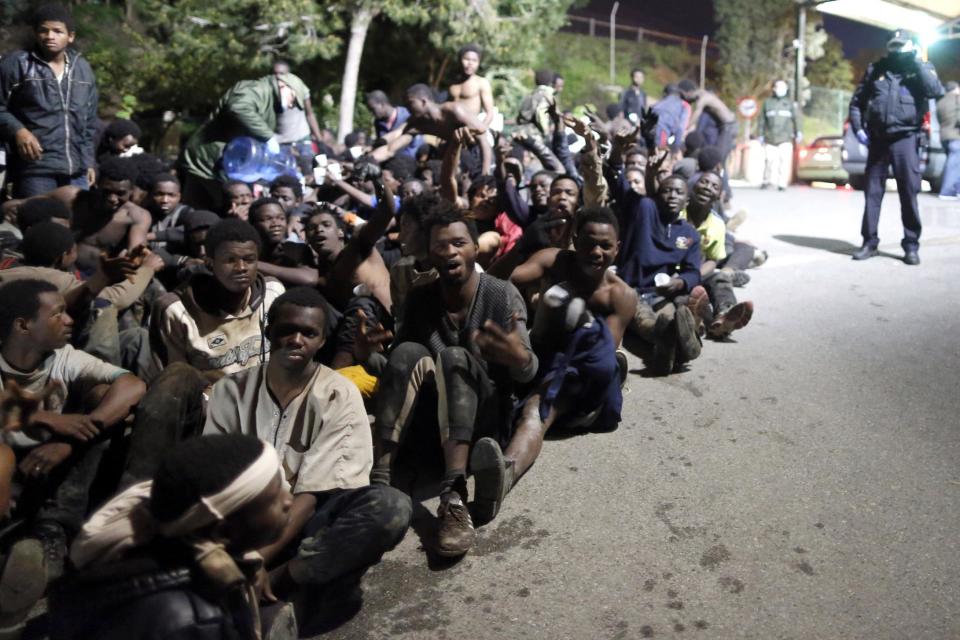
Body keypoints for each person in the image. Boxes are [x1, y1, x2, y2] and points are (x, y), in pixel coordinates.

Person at [203, 287, 412, 627]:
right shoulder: (231, 390)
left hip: (308, 523)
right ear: (269, 332)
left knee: (389, 507)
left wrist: (260, 564)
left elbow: (312, 495)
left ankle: (278, 582)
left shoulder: (338, 393)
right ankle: (274, 601)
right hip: (244, 522)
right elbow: (216, 480)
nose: (296, 339)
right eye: (286, 330)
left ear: (321, 341)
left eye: (308, 333)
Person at [357, 205, 538, 557]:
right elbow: (398, 367)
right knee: (408, 349)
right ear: (429, 254)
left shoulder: (501, 294)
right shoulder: (421, 298)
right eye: (441, 246)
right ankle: (381, 480)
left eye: (459, 243)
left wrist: (517, 356)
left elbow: (528, 372)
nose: (451, 251)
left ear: (474, 248)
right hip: (432, 424)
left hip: (483, 421)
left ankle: (454, 497)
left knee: (455, 357)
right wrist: (367, 356)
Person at [52, 434, 296, 640]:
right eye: (274, 499)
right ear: (222, 532)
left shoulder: (159, 544)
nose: (288, 500)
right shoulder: (190, 620)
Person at [0, 278, 146, 607]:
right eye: (57, 315)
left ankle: (52, 532)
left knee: (104, 403)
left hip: (44, 465)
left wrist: (77, 438)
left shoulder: (63, 357)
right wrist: (42, 417)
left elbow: (132, 384)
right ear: (23, 326)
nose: (69, 321)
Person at [848, 29, 944, 265]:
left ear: (910, 45)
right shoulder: (877, 69)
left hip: (906, 139)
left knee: (908, 193)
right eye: (893, 44)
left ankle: (911, 246)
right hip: (878, 140)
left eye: (901, 44)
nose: (896, 48)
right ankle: (869, 243)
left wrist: (917, 62)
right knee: (872, 194)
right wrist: (859, 128)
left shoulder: (920, 68)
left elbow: (935, 91)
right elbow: (857, 102)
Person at [151, 218, 284, 384]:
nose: (241, 267)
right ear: (209, 263)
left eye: (249, 259)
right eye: (230, 260)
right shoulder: (176, 311)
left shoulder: (273, 292)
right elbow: (174, 384)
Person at [0, 4, 98, 198]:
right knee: (40, 225)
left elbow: (88, 122)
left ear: (70, 36)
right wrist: (19, 131)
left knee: (74, 225)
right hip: (35, 167)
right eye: (43, 30)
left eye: (57, 31)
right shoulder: (17, 64)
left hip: (76, 170)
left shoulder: (83, 69)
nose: (49, 36)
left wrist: (88, 162)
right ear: (36, 34)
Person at [616, 173, 705, 375]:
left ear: (687, 200)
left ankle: (674, 348)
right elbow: (623, 190)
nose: (672, 195)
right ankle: (677, 347)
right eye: (666, 190)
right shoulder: (643, 211)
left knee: (673, 320)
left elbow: (693, 271)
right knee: (646, 320)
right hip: (631, 290)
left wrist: (680, 282)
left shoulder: (690, 234)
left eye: (679, 192)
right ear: (657, 196)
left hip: (662, 294)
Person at [180, 72, 309, 210]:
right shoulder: (256, 88)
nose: (291, 106)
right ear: (283, 86)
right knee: (218, 213)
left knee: (196, 212)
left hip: (213, 163)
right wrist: (268, 136)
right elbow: (239, 107)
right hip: (210, 161)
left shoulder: (268, 104)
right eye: (293, 100)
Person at [680, 171, 753, 339]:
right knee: (690, 297)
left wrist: (696, 275)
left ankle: (726, 314)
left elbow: (712, 260)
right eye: (704, 182)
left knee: (719, 279)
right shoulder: (678, 212)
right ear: (693, 186)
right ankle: (701, 322)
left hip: (698, 272)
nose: (707, 188)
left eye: (714, 186)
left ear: (719, 196)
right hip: (673, 273)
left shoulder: (717, 224)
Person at [449, 44, 497, 172]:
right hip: (453, 133)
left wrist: (480, 130)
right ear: (460, 60)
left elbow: (490, 112)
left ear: (478, 63)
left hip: (474, 132)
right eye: (466, 59)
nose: (469, 63)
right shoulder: (453, 83)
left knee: (476, 169)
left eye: (474, 60)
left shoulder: (481, 83)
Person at [678, 79, 737, 180]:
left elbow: (697, 113)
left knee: (719, 158)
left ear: (689, 93)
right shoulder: (703, 94)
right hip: (725, 127)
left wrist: (685, 128)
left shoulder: (704, 98)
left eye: (685, 96)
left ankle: (722, 187)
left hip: (728, 127)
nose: (686, 100)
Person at [271, 59, 324, 162]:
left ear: (288, 74)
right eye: (275, 73)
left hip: (302, 140)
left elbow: (309, 114)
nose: (278, 76)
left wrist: (319, 139)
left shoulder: (299, 88)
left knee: (307, 172)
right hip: (280, 143)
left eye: (281, 73)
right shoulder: (268, 92)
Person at [759, 80, 800, 191]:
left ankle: (782, 184)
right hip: (770, 137)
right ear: (774, 88)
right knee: (769, 160)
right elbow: (762, 120)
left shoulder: (790, 103)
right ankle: (766, 181)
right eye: (778, 87)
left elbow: (796, 119)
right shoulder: (767, 103)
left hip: (785, 138)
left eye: (783, 87)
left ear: (786, 88)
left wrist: (798, 132)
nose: (780, 89)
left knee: (784, 161)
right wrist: (761, 134)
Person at [367, 90, 421, 159]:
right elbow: (381, 144)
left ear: (383, 104)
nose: (371, 113)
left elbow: (416, 145)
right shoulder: (378, 122)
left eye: (372, 109)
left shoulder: (407, 116)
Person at [936, 81, 960, 200]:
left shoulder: (941, 101)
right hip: (956, 135)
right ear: (956, 89)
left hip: (944, 135)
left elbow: (939, 119)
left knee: (956, 164)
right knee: (954, 164)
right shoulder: (957, 99)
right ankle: (947, 191)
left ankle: (958, 190)